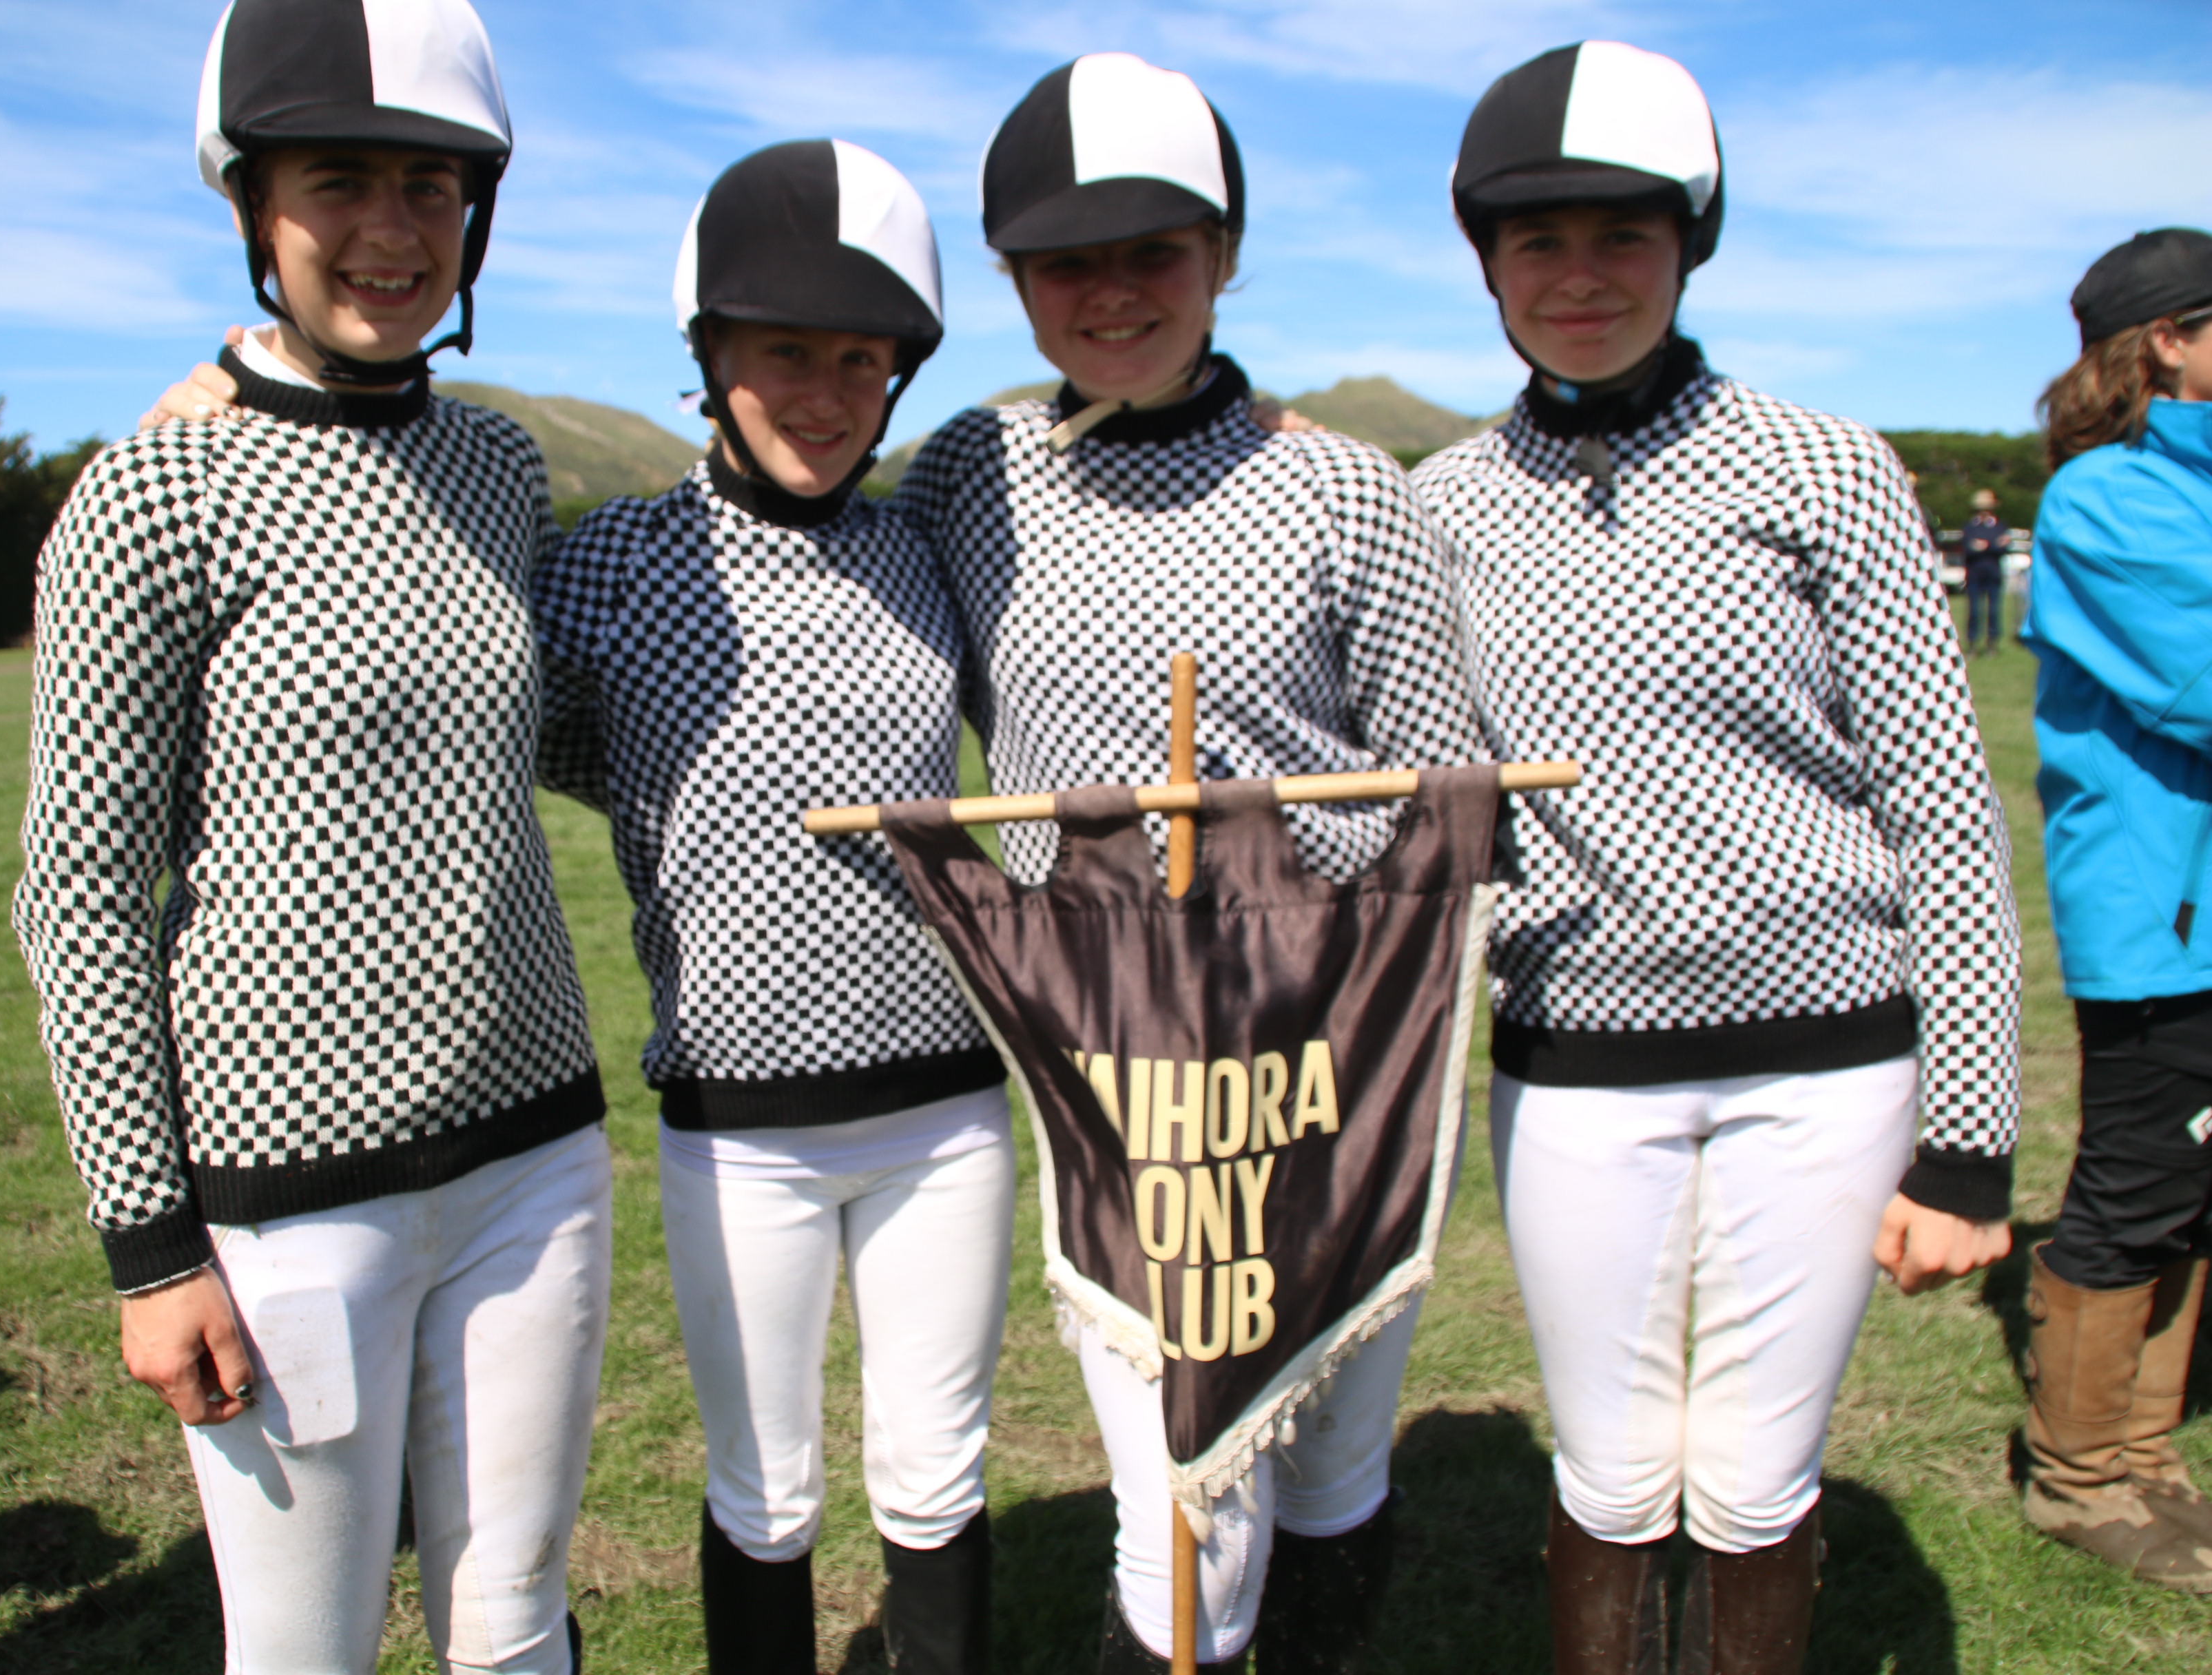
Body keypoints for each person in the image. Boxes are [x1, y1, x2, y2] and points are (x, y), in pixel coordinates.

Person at [12, 3, 610, 1670]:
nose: (390, 230)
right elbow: (77, 893)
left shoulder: (498, 462)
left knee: (515, 1623)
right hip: (285, 1211)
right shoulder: (154, 494)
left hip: (537, 1164)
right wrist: (149, 1252)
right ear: (249, 206)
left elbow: (557, 731)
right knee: (307, 1654)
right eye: (337, 179)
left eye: (431, 184)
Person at [1410, 42, 2020, 1673]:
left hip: (1823, 1068)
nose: (1580, 276)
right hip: (1575, 1066)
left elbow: (1946, 812)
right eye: (1537, 242)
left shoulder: (1821, 468)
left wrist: (1965, 1146)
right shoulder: (1443, 500)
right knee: (1610, 1473)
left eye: (1623, 235)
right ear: (1486, 264)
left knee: (1751, 1484)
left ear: (1691, 242)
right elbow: (1418, 805)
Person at [893, 52, 1489, 1672]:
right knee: (1186, 1471)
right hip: (1120, 1073)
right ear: (1013, 280)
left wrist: (1266, 904)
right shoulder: (971, 473)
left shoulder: (1343, 488)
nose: (1112, 293)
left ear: (1224, 255)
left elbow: (1431, 805)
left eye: (1152, 250)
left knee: (1334, 1448)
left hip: (1326, 1047)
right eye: (1066, 262)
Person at [535, 141, 1014, 1674]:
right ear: (708, 357)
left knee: (938, 1472)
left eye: (861, 357)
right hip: (739, 1129)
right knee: (768, 1487)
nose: (823, 391)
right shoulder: (616, 559)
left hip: (947, 1109)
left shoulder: (928, 542)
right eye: (783, 352)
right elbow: (527, 729)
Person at [2016, 226, 2212, 1592]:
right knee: (2139, 1184)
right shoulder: (2107, 500)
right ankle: (2077, 1474)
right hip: (2165, 914)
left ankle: (2147, 1452)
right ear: (2170, 339)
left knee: (2199, 1189)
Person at [1961, 488, 2010, 652]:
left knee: (1994, 610)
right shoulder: (1970, 527)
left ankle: (1992, 643)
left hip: (1993, 573)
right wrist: (1993, 544)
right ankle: (1973, 643)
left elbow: (2003, 549)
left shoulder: (2000, 526)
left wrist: (1985, 546)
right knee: (1974, 610)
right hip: (1974, 574)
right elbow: (1968, 548)